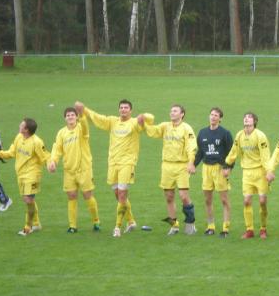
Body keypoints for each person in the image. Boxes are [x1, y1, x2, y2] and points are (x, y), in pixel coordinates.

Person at [77, 99, 154, 238]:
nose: (123, 110)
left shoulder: (135, 123)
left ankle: (117, 227)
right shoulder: (113, 122)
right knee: (118, 195)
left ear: (131, 110)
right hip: (113, 162)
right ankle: (131, 221)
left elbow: (151, 119)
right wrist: (84, 110)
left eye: (126, 108)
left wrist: (144, 117)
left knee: (123, 194)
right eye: (121, 107)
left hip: (127, 163)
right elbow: (98, 118)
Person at [140, 104, 198, 236]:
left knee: (183, 196)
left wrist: (191, 162)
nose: (172, 113)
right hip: (167, 165)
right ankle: (174, 226)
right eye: (171, 111)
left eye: (175, 111)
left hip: (181, 165)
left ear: (182, 114)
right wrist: (143, 123)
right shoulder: (165, 126)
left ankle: (190, 223)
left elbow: (191, 146)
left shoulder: (186, 128)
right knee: (169, 197)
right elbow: (153, 131)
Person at [0, 118, 51, 236]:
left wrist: (50, 164)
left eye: (22, 125)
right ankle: (36, 223)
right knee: (29, 200)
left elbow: (45, 156)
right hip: (21, 174)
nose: (19, 125)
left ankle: (27, 227)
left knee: (28, 199)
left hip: (32, 174)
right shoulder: (19, 137)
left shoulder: (37, 142)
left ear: (26, 129)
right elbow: (11, 153)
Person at [48, 106, 100, 233]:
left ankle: (96, 221)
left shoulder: (81, 128)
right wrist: (53, 161)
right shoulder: (61, 133)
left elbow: (85, 125)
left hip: (84, 169)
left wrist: (82, 114)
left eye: (72, 115)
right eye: (68, 115)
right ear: (65, 118)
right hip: (69, 170)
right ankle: (72, 226)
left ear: (76, 117)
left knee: (88, 195)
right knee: (71, 196)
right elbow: (57, 149)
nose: (70, 117)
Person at [224, 112, 272, 239]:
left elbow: (265, 155)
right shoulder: (239, 135)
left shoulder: (260, 136)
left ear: (254, 121)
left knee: (262, 201)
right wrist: (227, 165)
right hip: (247, 173)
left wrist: (268, 171)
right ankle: (249, 230)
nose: (246, 118)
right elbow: (234, 152)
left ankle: (263, 228)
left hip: (260, 172)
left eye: (249, 117)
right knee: (246, 201)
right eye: (245, 117)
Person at [194, 107, 234, 237]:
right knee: (207, 199)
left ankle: (225, 228)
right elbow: (200, 152)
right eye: (211, 114)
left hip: (220, 168)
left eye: (216, 115)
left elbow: (232, 153)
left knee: (224, 199)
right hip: (206, 168)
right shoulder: (202, 133)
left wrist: (228, 167)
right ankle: (210, 226)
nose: (213, 117)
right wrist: (193, 165)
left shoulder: (225, 133)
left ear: (220, 119)